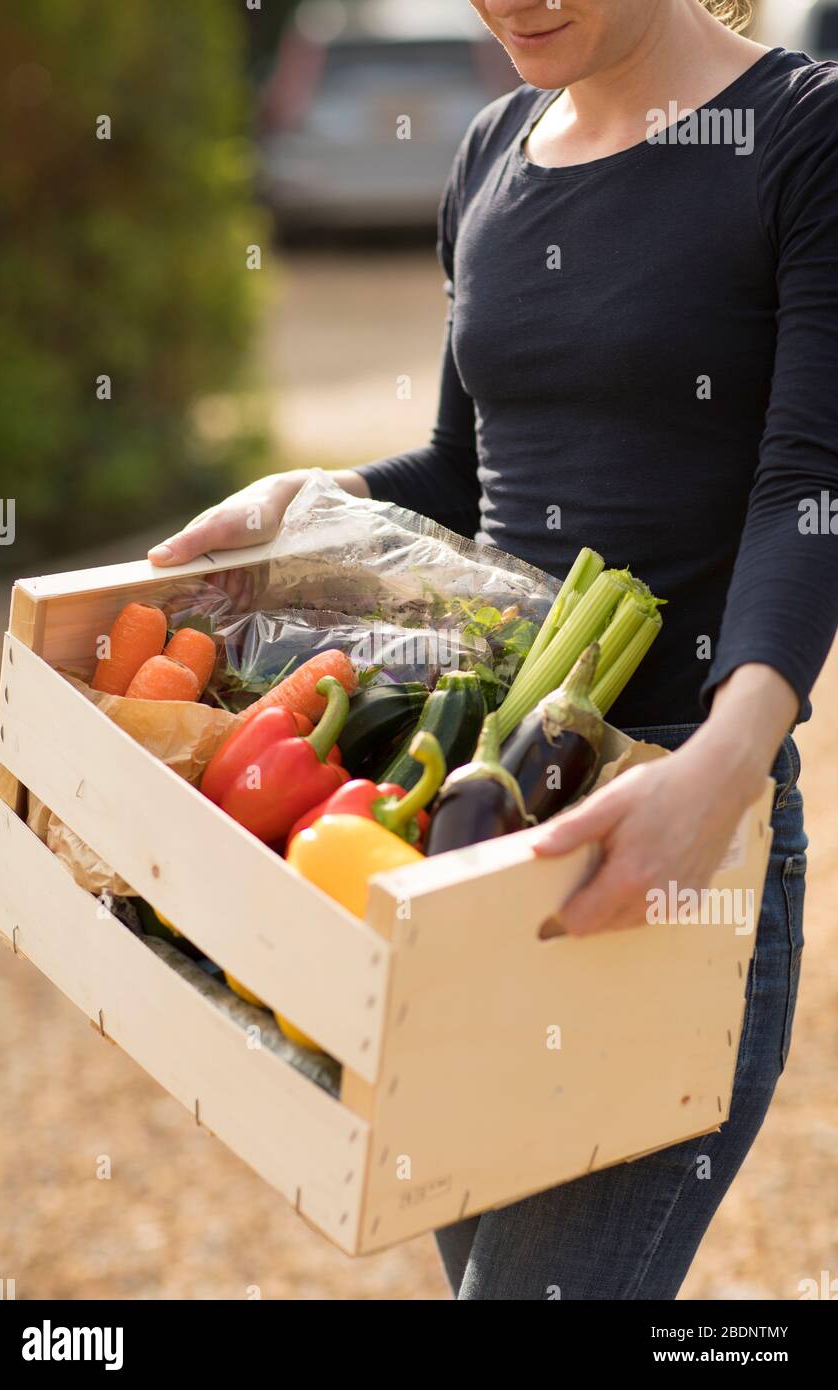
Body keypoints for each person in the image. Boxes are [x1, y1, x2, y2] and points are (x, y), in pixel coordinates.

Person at [150, 0, 838, 1298]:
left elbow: (809, 481)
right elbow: (471, 473)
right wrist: (312, 491)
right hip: (464, 832)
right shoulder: (492, 150)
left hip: (658, 837)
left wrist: (722, 767)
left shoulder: (800, 134)